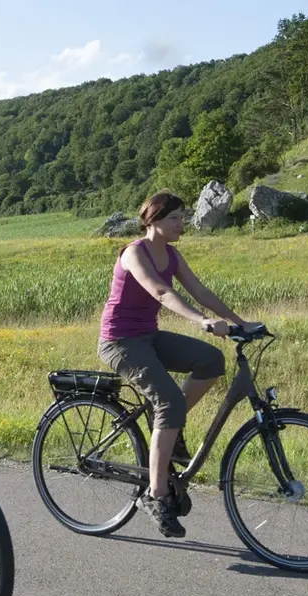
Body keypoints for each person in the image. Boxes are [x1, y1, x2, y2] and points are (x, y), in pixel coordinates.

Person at [98, 192, 257, 538]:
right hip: (120, 342)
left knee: (211, 360)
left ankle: (171, 428)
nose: (181, 224)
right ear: (154, 220)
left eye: (182, 218)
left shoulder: (172, 254)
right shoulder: (134, 253)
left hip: (149, 337)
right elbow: (159, 292)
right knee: (168, 402)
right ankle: (155, 495)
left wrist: (238, 322)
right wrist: (202, 322)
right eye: (175, 219)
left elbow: (200, 291)